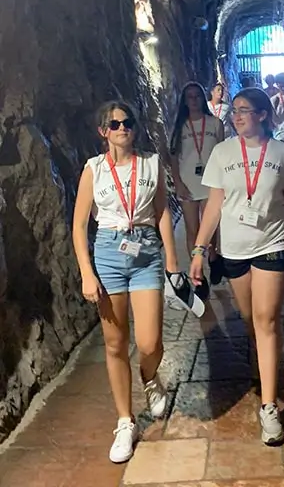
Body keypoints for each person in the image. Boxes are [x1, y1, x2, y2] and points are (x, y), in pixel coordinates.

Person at [189, 87, 284, 446]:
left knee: (266, 319)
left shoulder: (282, 153)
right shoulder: (222, 153)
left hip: (273, 243)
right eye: (235, 111)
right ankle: (267, 361)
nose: (237, 116)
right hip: (235, 249)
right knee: (249, 320)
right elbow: (214, 204)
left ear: (262, 115)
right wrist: (198, 249)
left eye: (245, 110)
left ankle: (269, 407)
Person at [72, 100, 178, 463]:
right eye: (114, 124)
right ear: (103, 132)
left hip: (145, 252)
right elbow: (78, 224)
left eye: (127, 122)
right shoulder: (94, 169)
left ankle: (150, 378)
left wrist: (172, 259)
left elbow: (162, 210)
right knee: (115, 342)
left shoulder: (151, 164)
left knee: (150, 342)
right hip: (108, 253)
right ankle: (124, 421)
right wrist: (87, 271)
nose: (122, 128)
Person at [169, 82, 225, 284]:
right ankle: (197, 272)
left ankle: (213, 256)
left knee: (211, 225)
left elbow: (222, 153)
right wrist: (177, 182)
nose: (193, 101)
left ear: (203, 98)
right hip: (188, 181)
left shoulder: (216, 124)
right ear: (184, 101)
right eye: (189, 97)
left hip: (211, 180)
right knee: (192, 228)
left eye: (197, 96)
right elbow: (173, 157)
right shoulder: (179, 127)